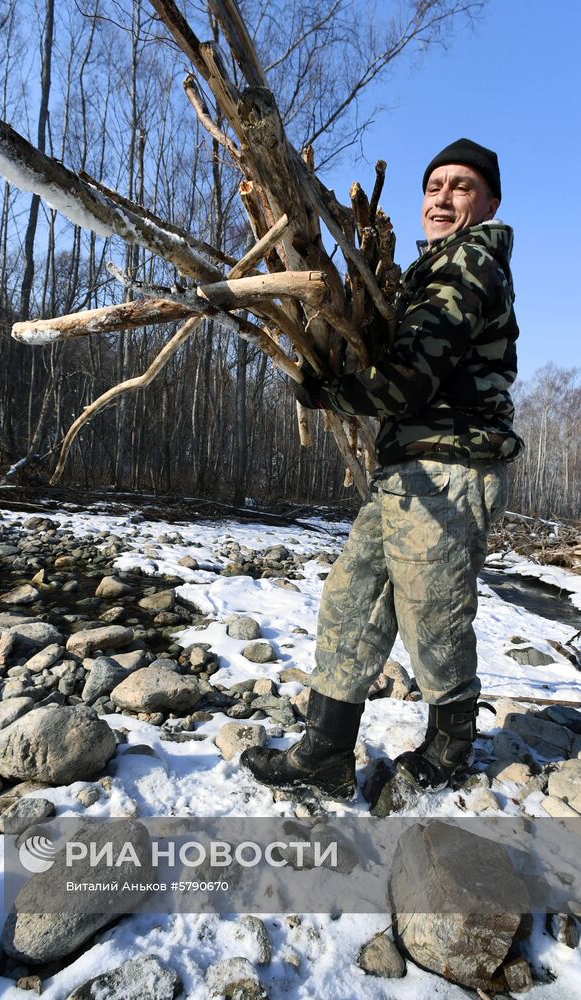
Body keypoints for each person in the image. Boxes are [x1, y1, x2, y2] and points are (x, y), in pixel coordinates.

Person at [241, 138, 523, 799]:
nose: (443, 197)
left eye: (461, 187)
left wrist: (332, 389)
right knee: (352, 600)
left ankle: (450, 745)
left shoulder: (472, 266)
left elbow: (409, 379)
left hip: (452, 465)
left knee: (432, 613)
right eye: (433, 187)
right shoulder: (428, 272)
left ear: (490, 203)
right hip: (406, 468)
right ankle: (326, 751)